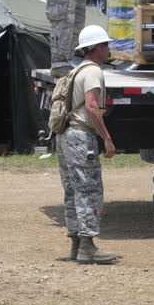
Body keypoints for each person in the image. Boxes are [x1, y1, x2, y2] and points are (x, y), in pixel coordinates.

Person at [57, 25, 119, 264]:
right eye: (106, 45)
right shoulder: (92, 71)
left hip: (65, 136)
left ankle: (76, 245)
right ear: (98, 48)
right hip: (81, 137)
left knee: (72, 191)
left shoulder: (76, 70)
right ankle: (87, 246)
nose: (109, 49)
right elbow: (92, 106)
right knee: (89, 190)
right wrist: (106, 138)